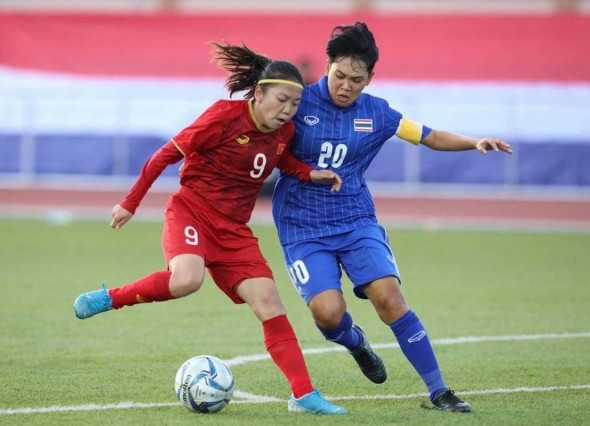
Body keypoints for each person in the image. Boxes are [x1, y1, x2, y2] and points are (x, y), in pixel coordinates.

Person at [73, 42, 347, 415]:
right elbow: (164, 155)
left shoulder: (284, 132)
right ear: (259, 93)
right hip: (192, 211)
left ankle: (303, 395)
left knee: (270, 303)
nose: (288, 110)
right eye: (282, 100)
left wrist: (309, 173)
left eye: (295, 104)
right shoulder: (223, 117)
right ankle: (111, 298)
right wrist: (130, 202)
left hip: (234, 230)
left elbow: (281, 161)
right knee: (187, 280)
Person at [272, 22, 513, 413]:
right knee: (328, 314)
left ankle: (439, 391)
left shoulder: (378, 113)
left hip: (355, 220)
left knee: (389, 298)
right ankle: (355, 342)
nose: (345, 86)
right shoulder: (298, 103)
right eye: (339, 75)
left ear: (369, 79)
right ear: (327, 67)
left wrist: (474, 142)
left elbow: (429, 135)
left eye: (356, 80)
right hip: (302, 227)